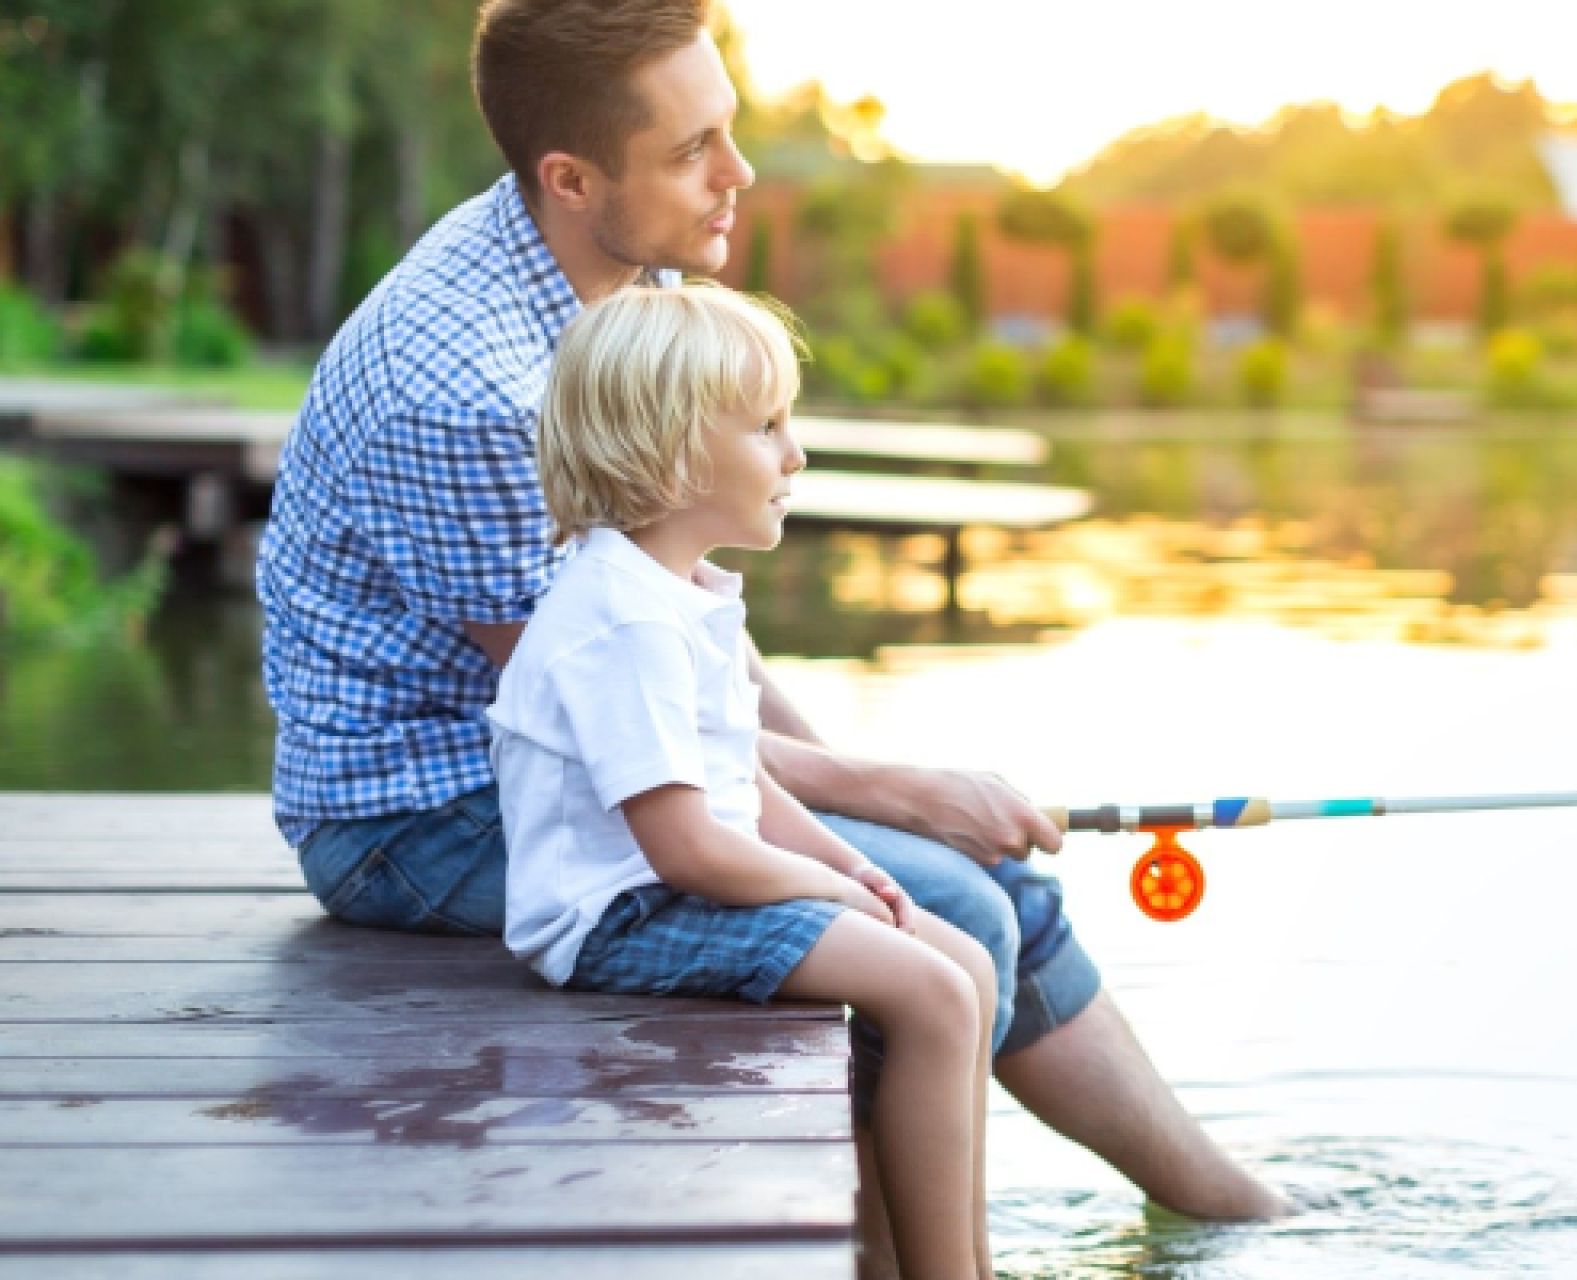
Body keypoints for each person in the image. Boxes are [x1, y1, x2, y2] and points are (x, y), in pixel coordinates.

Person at [254, 0, 1286, 1236]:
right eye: (694, 150)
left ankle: (1212, 1203)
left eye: (726, 132)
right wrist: (887, 795)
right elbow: (607, 711)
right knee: (944, 900)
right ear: (571, 176)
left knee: (983, 869)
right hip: (418, 810)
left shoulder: (613, 275)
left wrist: (872, 786)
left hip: (595, 751)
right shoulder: (473, 397)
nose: (737, 175)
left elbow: (683, 639)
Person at [490, 285, 995, 1279]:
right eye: (768, 427)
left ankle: (955, 1260)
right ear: (673, 453)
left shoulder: (676, 592)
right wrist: (832, 889)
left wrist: (853, 862)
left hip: (679, 885)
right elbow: (687, 845)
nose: (795, 454)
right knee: (932, 992)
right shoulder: (621, 619)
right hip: (617, 916)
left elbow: (742, 782)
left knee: (965, 964)